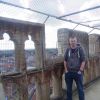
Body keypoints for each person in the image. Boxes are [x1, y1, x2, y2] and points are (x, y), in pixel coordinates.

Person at [64, 36, 86, 100]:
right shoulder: (68, 50)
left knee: (80, 89)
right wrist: (66, 70)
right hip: (69, 73)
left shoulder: (80, 49)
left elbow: (83, 60)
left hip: (78, 73)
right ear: (69, 42)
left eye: (74, 41)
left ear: (76, 41)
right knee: (68, 90)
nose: (73, 42)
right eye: (71, 41)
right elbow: (65, 60)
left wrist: (80, 70)